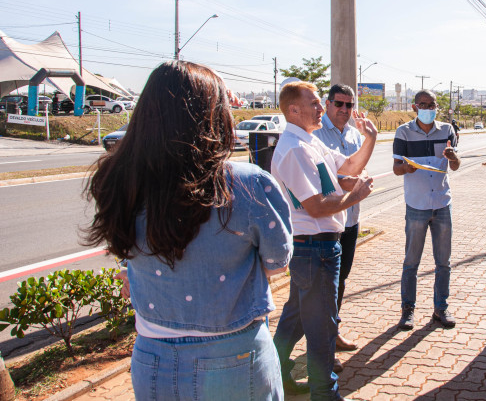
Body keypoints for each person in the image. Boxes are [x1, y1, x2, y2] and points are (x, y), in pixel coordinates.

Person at [85, 61, 292, 401]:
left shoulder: (119, 181)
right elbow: (277, 263)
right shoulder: (249, 184)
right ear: (215, 116)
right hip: (235, 355)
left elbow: (130, 251)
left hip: (152, 357)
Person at [271, 81, 377, 401]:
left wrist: (370, 138)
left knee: (296, 318)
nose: (323, 108)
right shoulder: (294, 148)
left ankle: (274, 373)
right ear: (293, 110)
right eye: (316, 103)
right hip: (313, 246)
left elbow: (347, 168)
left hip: (319, 246)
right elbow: (316, 206)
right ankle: (324, 393)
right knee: (321, 328)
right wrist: (353, 196)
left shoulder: (309, 143)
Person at [393, 90, 461, 330]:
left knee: (444, 262)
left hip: (442, 203)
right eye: (422, 104)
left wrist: (453, 158)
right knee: (411, 262)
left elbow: (455, 164)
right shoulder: (403, 132)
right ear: (414, 107)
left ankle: (441, 308)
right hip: (417, 205)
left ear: (436, 106)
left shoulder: (446, 130)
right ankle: (407, 310)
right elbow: (396, 168)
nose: (427, 108)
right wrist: (407, 169)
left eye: (431, 104)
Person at [312, 83, 362, 353]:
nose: (344, 109)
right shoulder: (315, 135)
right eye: (339, 103)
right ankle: (321, 346)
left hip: (351, 219)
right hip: (327, 222)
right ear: (327, 103)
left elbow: (359, 170)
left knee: (340, 280)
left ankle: (333, 331)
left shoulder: (356, 135)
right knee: (322, 286)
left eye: (349, 105)